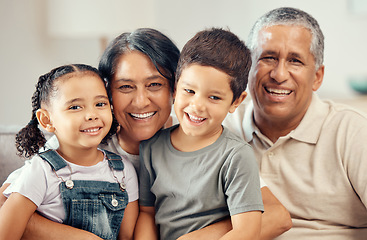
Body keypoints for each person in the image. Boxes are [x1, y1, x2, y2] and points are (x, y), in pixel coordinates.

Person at [0, 28, 290, 240]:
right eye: (126, 87)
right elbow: (7, 202)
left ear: (174, 88)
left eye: (155, 85)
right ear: (107, 93)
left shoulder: (198, 134)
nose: (141, 102)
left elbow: (276, 215)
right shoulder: (81, 142)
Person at [223, 7, 367, 239]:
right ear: (248, 67)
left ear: (317, 77)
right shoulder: (221, 130)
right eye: (268, 57)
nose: (279, 75)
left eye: (295, 61)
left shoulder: (352, 132)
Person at [135, 28, 264, 240]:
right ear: (175, 87)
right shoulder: (150, 147)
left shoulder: (236, 156)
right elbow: (147, 214)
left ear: (236, 102)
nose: (197, 106)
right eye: (189, 91)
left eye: (214, 97)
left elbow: (247, 231)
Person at [0, 64, 139, 240]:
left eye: (100, 104)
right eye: (75, 107)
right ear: (46, 120)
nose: (92, 114)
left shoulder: (123, 171)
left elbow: (126, 237)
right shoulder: (41, 170)